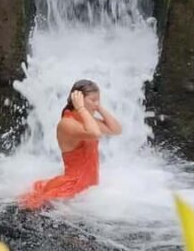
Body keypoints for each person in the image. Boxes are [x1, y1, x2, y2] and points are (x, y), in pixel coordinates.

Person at [20, 79, 121, 209]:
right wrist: (80, 107)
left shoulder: (87, 121)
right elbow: (96, 133)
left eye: (98, 100)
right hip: (71, 189)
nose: (96, 104)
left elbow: (116, 130)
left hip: (88, 192)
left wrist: (99, 107)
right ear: (78, 99)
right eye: (93, 100)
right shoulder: (67, 123)